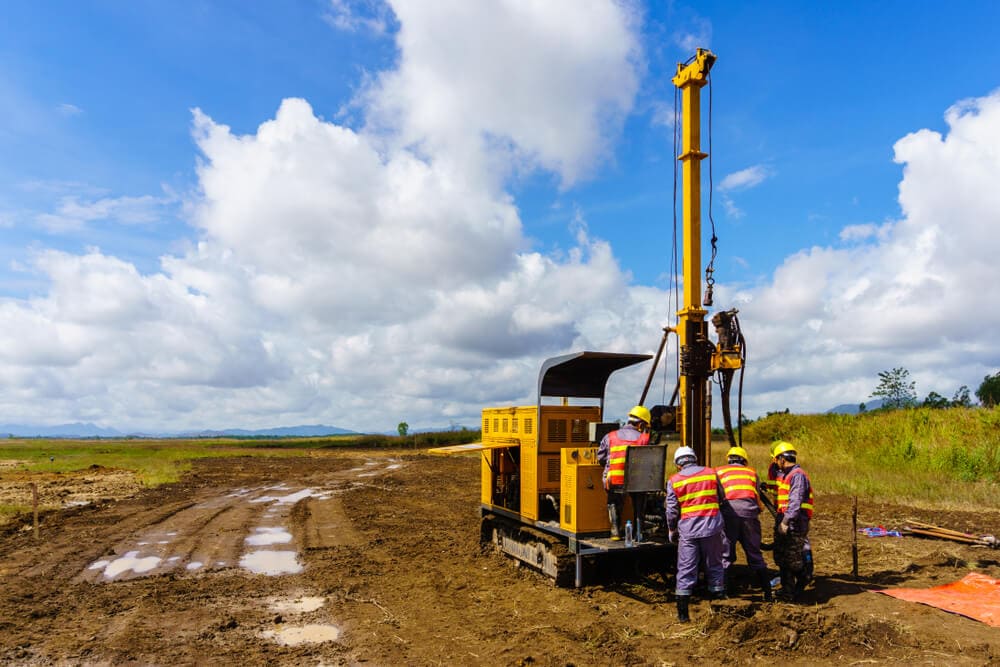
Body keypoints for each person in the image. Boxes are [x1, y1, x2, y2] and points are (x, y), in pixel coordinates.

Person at [665, 445, 727, 622]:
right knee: (715, 564)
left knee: (686, 569)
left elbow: (671, 510)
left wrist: (672, 529)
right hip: (712, 527)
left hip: (689, 531)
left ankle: (683, 615)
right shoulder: (711, 473)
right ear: (695, 458)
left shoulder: (674, 480)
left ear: (678, 464)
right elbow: (722, 497)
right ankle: (719, 609)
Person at [716, 446, 772, 601]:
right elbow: (756, 496)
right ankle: (767, 593)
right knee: (754, 553)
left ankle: (723, 592)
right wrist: (756, 511)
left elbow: (717, 495)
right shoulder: (752, 472)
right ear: (744, 460)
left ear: (728, 459)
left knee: (725, 555)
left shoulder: (719, 472)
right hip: (749, 515)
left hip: (729, 516)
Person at [597, 405, 651, 541]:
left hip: (615, 481)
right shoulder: (644, 439)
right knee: (639, 498)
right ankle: (639, 533)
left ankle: (615, 530)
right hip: (636, 481)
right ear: (641, 424)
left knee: (613, 500)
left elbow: (601, 458)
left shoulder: (610, 436)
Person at [772, 441, 814, 602]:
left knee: (792, 559)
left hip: (795, 523)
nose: (776, 464)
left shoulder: (797, 475)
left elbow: (795, 502)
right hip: (787, 520)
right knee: (783, 558)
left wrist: (785, 522)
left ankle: (802, 580)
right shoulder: (786, 475)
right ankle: (788, 590)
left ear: (782, 459)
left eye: (776, 460)